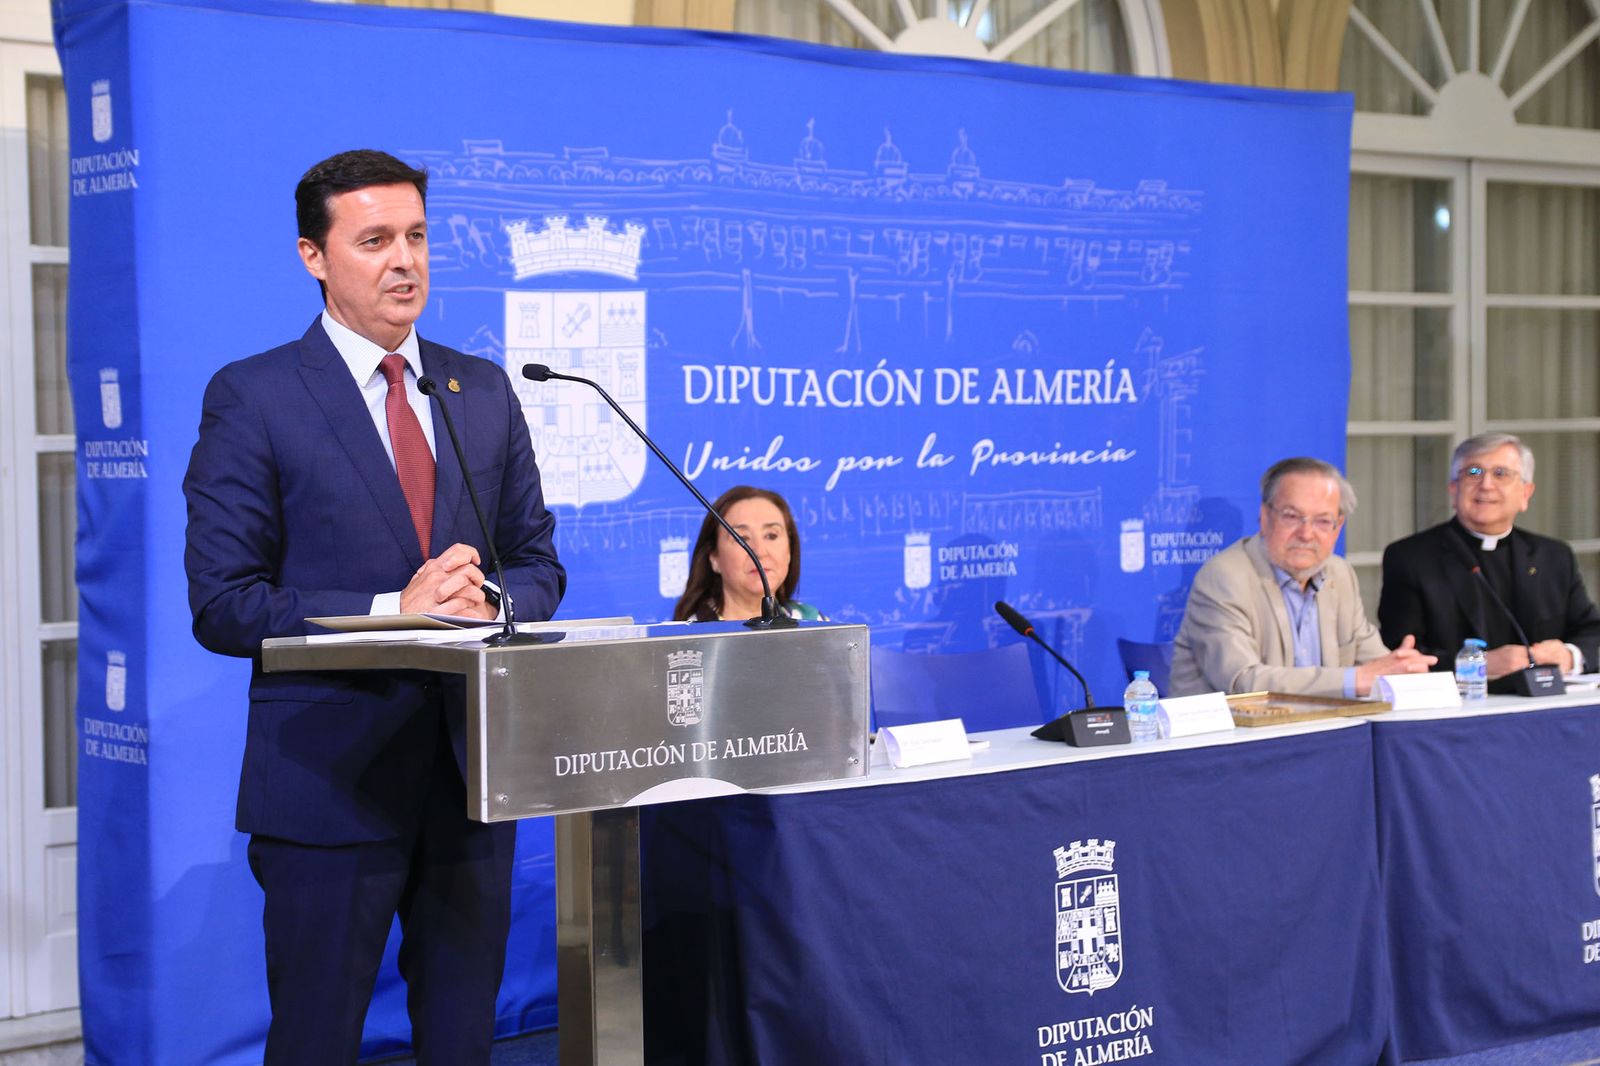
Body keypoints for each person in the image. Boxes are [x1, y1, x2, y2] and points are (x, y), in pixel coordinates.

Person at [182, 149, 566, 1065]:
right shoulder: (256, 396)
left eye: (419, 237)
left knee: (464, 1042)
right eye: (376, 240)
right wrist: (400, 606)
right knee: (317, 1041)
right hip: (328, 785)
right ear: (314, 256)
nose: (406, 261)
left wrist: (488, 598)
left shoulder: (479, 390)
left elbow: (539, 564)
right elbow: (225, 604)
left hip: (473, 777)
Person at [1169, 457, 1434, 697]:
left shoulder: (1340, 575)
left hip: (1320, 735)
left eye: (1322, 521)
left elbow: (1372, 662)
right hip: (1234, 743)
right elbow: (1243, 681)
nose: (1306, 534)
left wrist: (1402, 668)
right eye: (1292, 517)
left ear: (1337, 526)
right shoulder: (1225, 578)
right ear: (1265, 517)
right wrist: (1354, 680)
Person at [1378, 432, 1600, 685]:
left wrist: (1569, 656)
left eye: (1501, 474)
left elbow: (1592, 633)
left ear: (1525, 493)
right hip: (1459, 711)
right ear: (1453, 488)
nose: (1486, 485)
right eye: (1473, 472)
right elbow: (1401, 654)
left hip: (1544, 708)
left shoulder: (1554, 557)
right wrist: (1481, 664)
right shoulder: (1411, 558)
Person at [671, 485, 823, 622]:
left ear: (790, 550)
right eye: (742, 538)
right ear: (714, 558)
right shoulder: (689, 638)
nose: (760, 552)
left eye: (771, 535)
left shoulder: (812, 622)